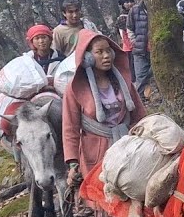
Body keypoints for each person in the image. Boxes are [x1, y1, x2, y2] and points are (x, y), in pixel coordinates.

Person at [62, 29, 147, 193]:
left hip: (128, 146)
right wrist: (73, 163)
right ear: (87, 57)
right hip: (97, 152)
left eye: (108, 51)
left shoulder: (123, 81)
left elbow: (139, 114)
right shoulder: (74, 89)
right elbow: (70, 128)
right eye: (99, 52)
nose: (106, 56)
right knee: (106, 198)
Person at [127, 0, 153, 95]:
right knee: (140, 76)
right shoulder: (135, 10)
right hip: (140, 50)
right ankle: (141, 100)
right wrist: (134, 41)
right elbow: (129, 27)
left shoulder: (159, 9)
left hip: (156, 49)